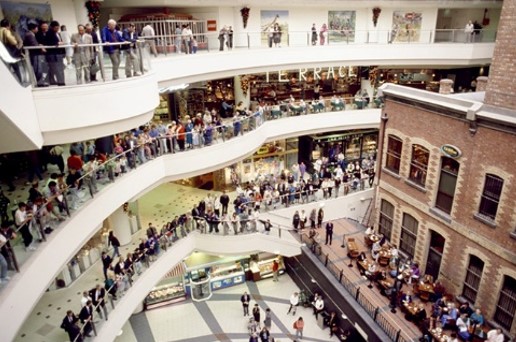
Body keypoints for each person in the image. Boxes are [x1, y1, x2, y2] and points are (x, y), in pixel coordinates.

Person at [45, 21, 66, 86]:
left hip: (59, 53)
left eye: (58, 28)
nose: (57, 29)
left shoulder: (58, 34)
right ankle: (60, 82)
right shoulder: (49, 33)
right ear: (52, 27)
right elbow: (48, 43)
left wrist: (63, 52)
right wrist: (57, 43)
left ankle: (61, 81)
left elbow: (61, 42)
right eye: (56, 28)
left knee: (61, 68)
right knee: (56, 69)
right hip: (53, 54)